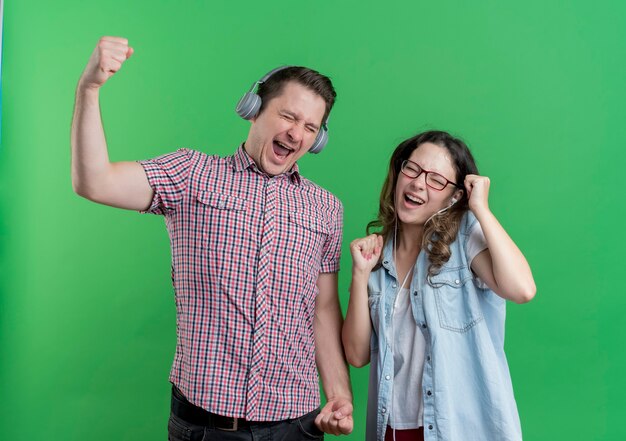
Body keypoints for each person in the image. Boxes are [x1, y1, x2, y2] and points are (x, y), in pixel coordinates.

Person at [71, 36, 353, 440]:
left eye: (310, 127)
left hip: (298, 424)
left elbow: (323, 309)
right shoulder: (191, 175)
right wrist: (90, 89)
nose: (297, 134)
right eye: (288, 117)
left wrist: (339, 396)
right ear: (253, 110)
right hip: (205, 427)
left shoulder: (326, 208)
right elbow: (94, 181)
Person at [342, 130, 536, 441]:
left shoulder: (464, 239)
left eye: (436, 180)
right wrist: (360, 274)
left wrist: (481, 210)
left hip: (459, 429)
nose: (418, 183)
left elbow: (522, 289)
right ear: (399, 172)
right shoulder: (378, 258)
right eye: (412, 169)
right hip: (392, 430)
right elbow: (356, 354)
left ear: (456, 196)